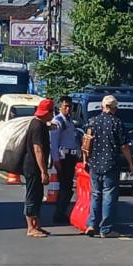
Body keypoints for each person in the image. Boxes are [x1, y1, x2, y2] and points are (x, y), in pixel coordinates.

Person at [85, 95, 133, 238]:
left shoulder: (92, 122)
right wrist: (130, 163)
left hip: (94, 164)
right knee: (109, 196)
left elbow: (86, 142)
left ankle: (91, 224)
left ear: (102, 106)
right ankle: (106, 229)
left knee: (95, 195)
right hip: (111, 164)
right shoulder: (117, 123)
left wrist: (85, 160)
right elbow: (124, 146)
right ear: (113, 108)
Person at [22, 98, 54, 238]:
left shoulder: (39, 124)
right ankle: (30, 227)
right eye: (52, 111)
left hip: (35, 167)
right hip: (33, 167)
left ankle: (36, 225)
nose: (53, 114)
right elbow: (38, 149)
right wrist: (43, 171)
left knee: (38, 196)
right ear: (47, 112)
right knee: (32, 196)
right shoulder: (37, 127)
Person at [49, 96, 80, 224]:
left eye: (69, 106)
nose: (68, 108)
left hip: (71, 157)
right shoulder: (57, 121)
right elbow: (53, 143)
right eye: (65, 106)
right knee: (64, 187)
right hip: (63, 157)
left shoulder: (69, 121)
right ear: (60, 107)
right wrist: (56, 161)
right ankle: (59, 214)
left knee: (67, 187)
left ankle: (62, 212)